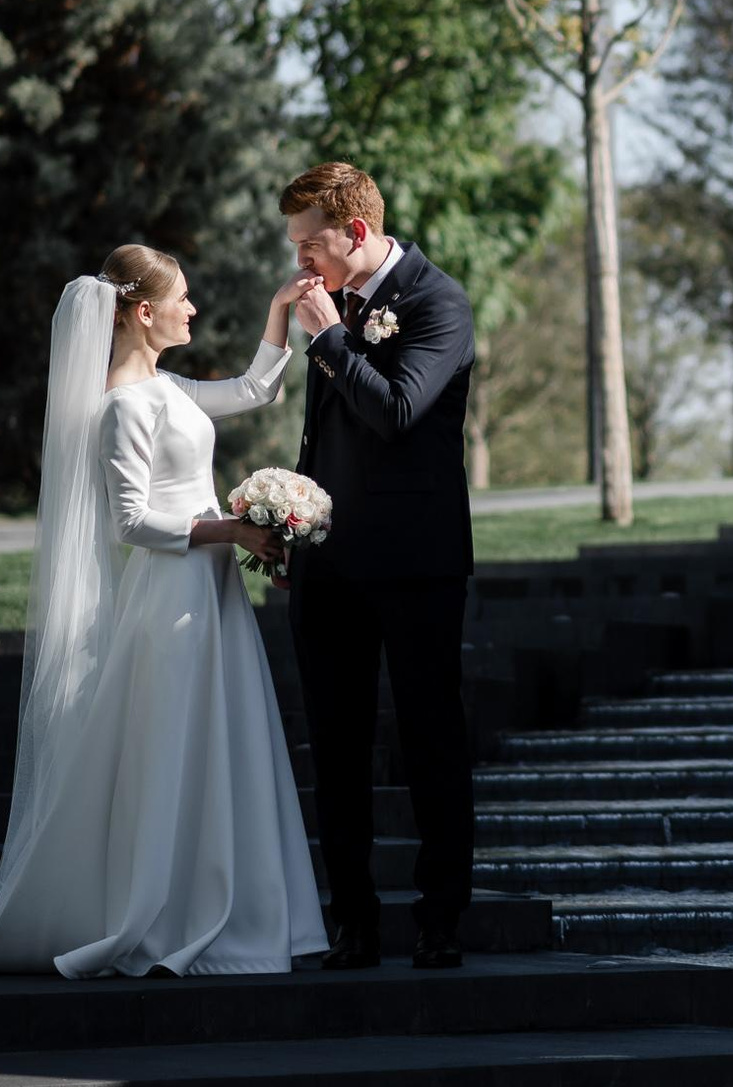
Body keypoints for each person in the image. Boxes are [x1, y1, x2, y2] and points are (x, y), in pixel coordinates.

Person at [0, 246, 327, 977]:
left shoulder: (170, 387)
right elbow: (132, 523)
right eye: (182, 299)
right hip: (172, 598)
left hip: (212, 592)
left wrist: (280, 313)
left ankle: (237, 907)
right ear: (143, 313)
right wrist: (233, 530)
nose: (193, 309)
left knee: (222, 741)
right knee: (177, 749)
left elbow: (254, 390)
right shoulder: (121, 406)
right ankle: (165, 910)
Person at [279, 162, 478, 971]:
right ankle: (351, 923)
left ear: (356, 233)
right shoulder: (337, 301)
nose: (301, 265)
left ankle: (440, 920)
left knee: (432, 739)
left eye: (311, 245)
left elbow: (397, 413)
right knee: (334, 746)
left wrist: (329, 337)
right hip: (328, 566)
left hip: (416, 563)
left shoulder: (439, 304)